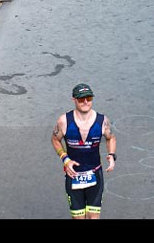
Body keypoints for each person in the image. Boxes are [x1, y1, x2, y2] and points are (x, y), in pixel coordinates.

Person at [51, 83, 117, 220]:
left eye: (89, 98)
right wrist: (65, 158)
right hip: (74, 176)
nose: (86, 102)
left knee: (93, 217)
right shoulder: (64, 121)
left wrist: (111, 155)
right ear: (74, 100)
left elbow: (111, 138)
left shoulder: (102, 121)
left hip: (95, 174)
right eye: (81, 99)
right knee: (78, 218)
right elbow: (55, 139)